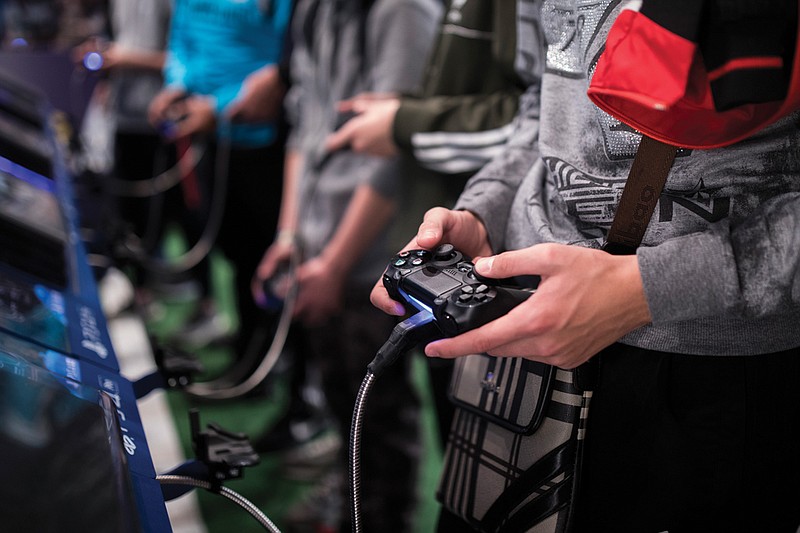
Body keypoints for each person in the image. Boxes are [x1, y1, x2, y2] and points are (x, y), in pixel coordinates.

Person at [371, 0, 800, 532]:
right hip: (525, 328)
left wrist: (651, 289)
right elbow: (543, 97)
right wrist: (485, 208)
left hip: (709, 369)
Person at [252, 0, 443, 530]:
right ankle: (349, 489)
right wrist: (292, 235)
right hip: (319, 240)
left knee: (377, 411)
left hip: (374, 254)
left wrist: (336, 264)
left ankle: (379, 517)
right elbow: (303, 123)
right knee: (342, 395)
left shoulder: (400, 10)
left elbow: (398, 148)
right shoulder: (315, 8)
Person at [323, 0, 528, 443]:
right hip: (456, 231)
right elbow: (532, 116)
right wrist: (405, 112)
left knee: (484, 441)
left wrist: (406, 124)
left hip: (498, 254)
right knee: (458, 443)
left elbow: (533, 118)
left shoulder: (405, 9)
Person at [148, 0, 292, 361]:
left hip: (262, 143)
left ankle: (274, 359)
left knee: (266, 256)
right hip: (209, 139)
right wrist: (176, 86)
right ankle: (249, 347)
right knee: (232, 250)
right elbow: (182, 39)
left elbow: (285, 65)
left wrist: (219, 107)